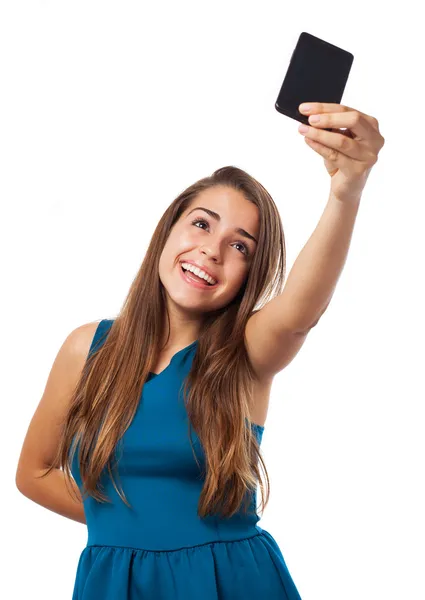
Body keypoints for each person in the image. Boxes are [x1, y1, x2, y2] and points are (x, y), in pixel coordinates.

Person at [15, 102, 384, 599]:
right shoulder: (87, 348)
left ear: (249, 276)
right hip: (113, 582)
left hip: (230, 581)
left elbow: (301, 310)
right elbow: (34, 473)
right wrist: (133, 527)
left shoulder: (246, 353)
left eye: (241, 247)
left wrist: (346, 191)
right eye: (202, 224)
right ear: (168, 230)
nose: (212, 250)